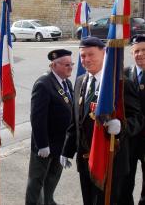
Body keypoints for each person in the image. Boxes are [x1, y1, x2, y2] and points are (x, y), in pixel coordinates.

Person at [61, 36, 143, 205]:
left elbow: (138, 118)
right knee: (89, 200)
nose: (86, 59)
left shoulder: (119, 84)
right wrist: (67, 150)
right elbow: (75, 121)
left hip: (111, 160)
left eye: (91, 54)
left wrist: (122, 127)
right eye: (83, 56)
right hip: (85, 160)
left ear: (104, 53)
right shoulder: (79, 82)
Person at [25, 49, 74, 205]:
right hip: (44, 146)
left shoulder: (66, 82)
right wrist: (42, 144)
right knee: (36, 181)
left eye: (71, 64)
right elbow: (37, 118)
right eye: (66, 65)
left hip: (60, 143)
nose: (70, 67)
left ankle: (48, 201)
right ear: (54, 65)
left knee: (53, 177)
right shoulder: (43, 84)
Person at [120, 35, 145, 205]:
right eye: (136, 51)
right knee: (125, 181)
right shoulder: (124, 74)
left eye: (143, 50)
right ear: (131, 53)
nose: (140, 54)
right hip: (129, 139)